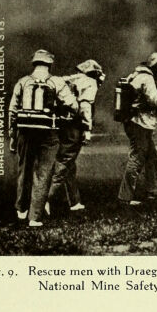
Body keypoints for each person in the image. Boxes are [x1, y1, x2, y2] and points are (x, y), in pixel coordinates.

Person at [8, 48, 80, 227]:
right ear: (50, 64)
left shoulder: (23, 82)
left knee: (24, 169)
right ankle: (35, 217)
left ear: (34, 63)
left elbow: (12, 111)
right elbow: (73, 105)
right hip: (48, 133)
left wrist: (12, 135)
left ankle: (21, 210)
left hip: (24, 131)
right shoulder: (56, 82)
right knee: (43, 173)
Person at [117, 50, 157, 206]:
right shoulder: (147, 78)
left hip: (135, 122)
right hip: (140, 123)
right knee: (137, 158)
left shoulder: (136, 75)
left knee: (151, 156)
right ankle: (125, 197)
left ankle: (154, 190)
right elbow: (155, 101)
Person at [48, 59, 105, 214]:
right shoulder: (90, 83)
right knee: (66, 161)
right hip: (75, 126)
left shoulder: (67, 79)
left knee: (70, 164)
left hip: (61, 125)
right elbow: (85, 106)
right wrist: (87, 129)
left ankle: (74, 201)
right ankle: (44, 198)